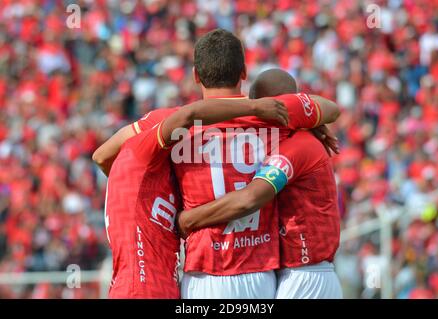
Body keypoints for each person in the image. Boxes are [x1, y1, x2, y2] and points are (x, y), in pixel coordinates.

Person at [171, 29, 340, 299]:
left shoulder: (175, 127)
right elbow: (331, 108)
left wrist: (184, 220)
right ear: (244, 72)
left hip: (204, 272)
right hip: (261, 272)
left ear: (195, 75)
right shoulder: (274, 115)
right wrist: (312, 121)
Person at [99, 96, 289, 298]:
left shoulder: (159, 181)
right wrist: (255, 107)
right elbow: (188, 115)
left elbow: (101, 157)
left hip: (166, 285)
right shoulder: (139, 151)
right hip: (139, 287)